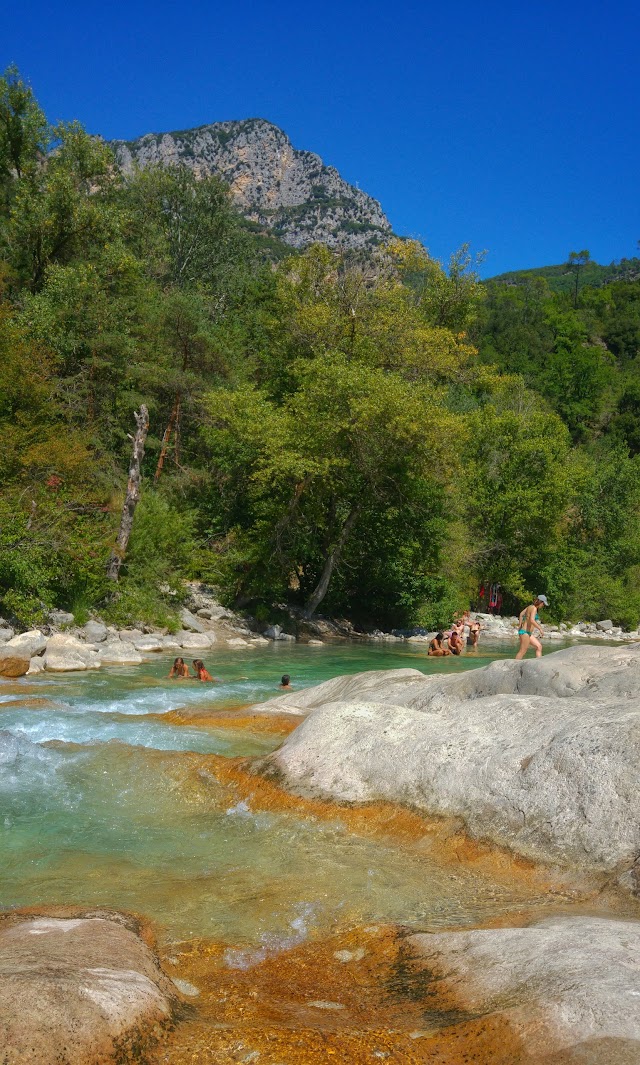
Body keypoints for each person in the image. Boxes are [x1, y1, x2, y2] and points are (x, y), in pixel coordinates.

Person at [515, 595, 548, 660]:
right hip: (525, 633)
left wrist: (520, 625)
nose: (543, 605)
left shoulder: (530, 606)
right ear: (540, 602)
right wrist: (540, 628)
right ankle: (514, 665)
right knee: (522, 651)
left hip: (527, 633)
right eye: (543, 603)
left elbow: (521, 614)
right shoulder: (534, 608)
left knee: (539, 647)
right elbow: (532, 620)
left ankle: (539, 663)